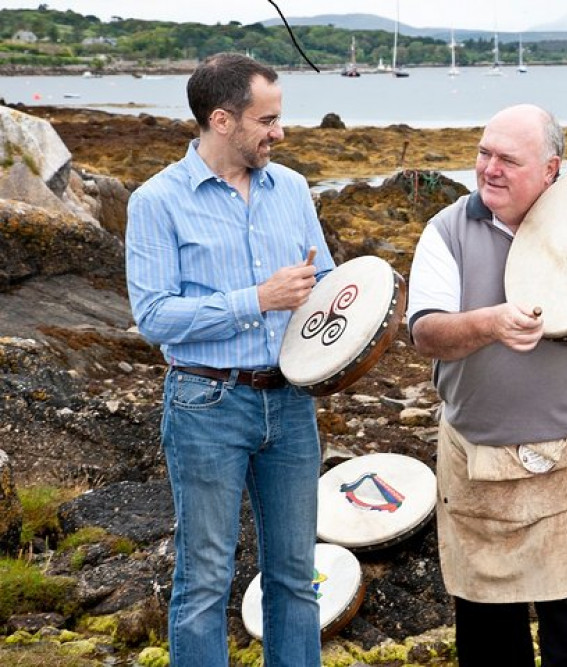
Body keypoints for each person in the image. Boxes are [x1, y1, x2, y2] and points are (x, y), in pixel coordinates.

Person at [406, 103, 567, 666]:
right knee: (488, 631)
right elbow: (425, 332)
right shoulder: (448, 230)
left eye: (508, 160)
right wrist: (490, 323)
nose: (489, 169)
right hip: (478, 465)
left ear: (551, 170)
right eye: (484, 153)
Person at [125, 53, 334, 667]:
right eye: (266, 119)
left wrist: (365, 316)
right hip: (205, 404)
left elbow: (322, 283)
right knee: (204, 578)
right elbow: (155, 317)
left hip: (292, 403)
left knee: (296, 574)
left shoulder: (292, 188)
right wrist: (257, 300)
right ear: (221, 120)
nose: (280, 132)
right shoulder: (156, 202)